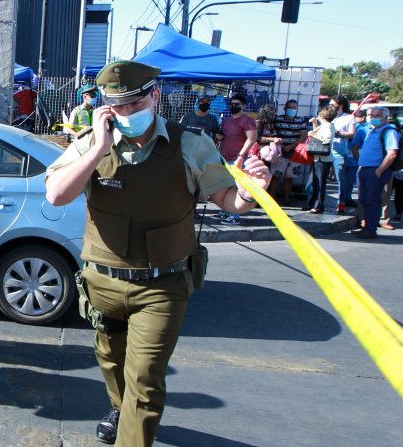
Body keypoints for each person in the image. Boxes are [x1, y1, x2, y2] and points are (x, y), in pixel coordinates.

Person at [45, 60, 270, 447]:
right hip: (104, 282)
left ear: (156, 95)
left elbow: (228, 199)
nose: (128, 114)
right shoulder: (89, 142)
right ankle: (120, 408)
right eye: (118, 106)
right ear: (105, 106)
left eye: (136, 103)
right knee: (112, 362)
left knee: (145, 381)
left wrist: (250, 192)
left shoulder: (190, 144)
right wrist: (99, 146)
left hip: (162, 285)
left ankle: (131, 425)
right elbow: (56, 194)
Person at [352, 106, 401, 239]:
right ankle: (366, 227)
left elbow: (392, 154)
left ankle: (371, 229)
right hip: (364, 169)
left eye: (376, 115)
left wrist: (379, 171)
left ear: (385, 117)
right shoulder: (372, 131)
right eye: (371, 115)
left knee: (372, 201)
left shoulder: (389, 131)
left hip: (374, 170)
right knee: (364, 200)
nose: (373, 118)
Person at [217, 94, 257, 224]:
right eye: (232, 104)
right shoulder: (228, 121)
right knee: (226, 187)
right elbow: (225, 138)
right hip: (224, 158)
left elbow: (252, 138)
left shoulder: (247, 121)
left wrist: (241, 155)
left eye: (237, 104)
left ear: (244, 106)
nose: (233, 106)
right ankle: (226, 210)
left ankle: (234, 216)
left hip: (237, 160)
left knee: (236, 188)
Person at [305, 105, 336, 214]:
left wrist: (313, 135)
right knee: (315, 182)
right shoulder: (324, 125)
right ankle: (312, 203)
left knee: (320, 183)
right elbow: (317, 133)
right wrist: (314, 124)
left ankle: (318, 205)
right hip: (317, 158)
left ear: (322, 115)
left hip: (323, 159)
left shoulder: (328, 126)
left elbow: (326, 140)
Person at [330, 95, 358, 213]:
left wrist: (338, 133)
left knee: (341, 179)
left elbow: (352, 133)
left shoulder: (349, 118)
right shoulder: (328, 116)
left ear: (340, 105)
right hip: (324, 151)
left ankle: (341, 203)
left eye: (332, 104)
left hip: (339, 152)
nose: (330, 107)